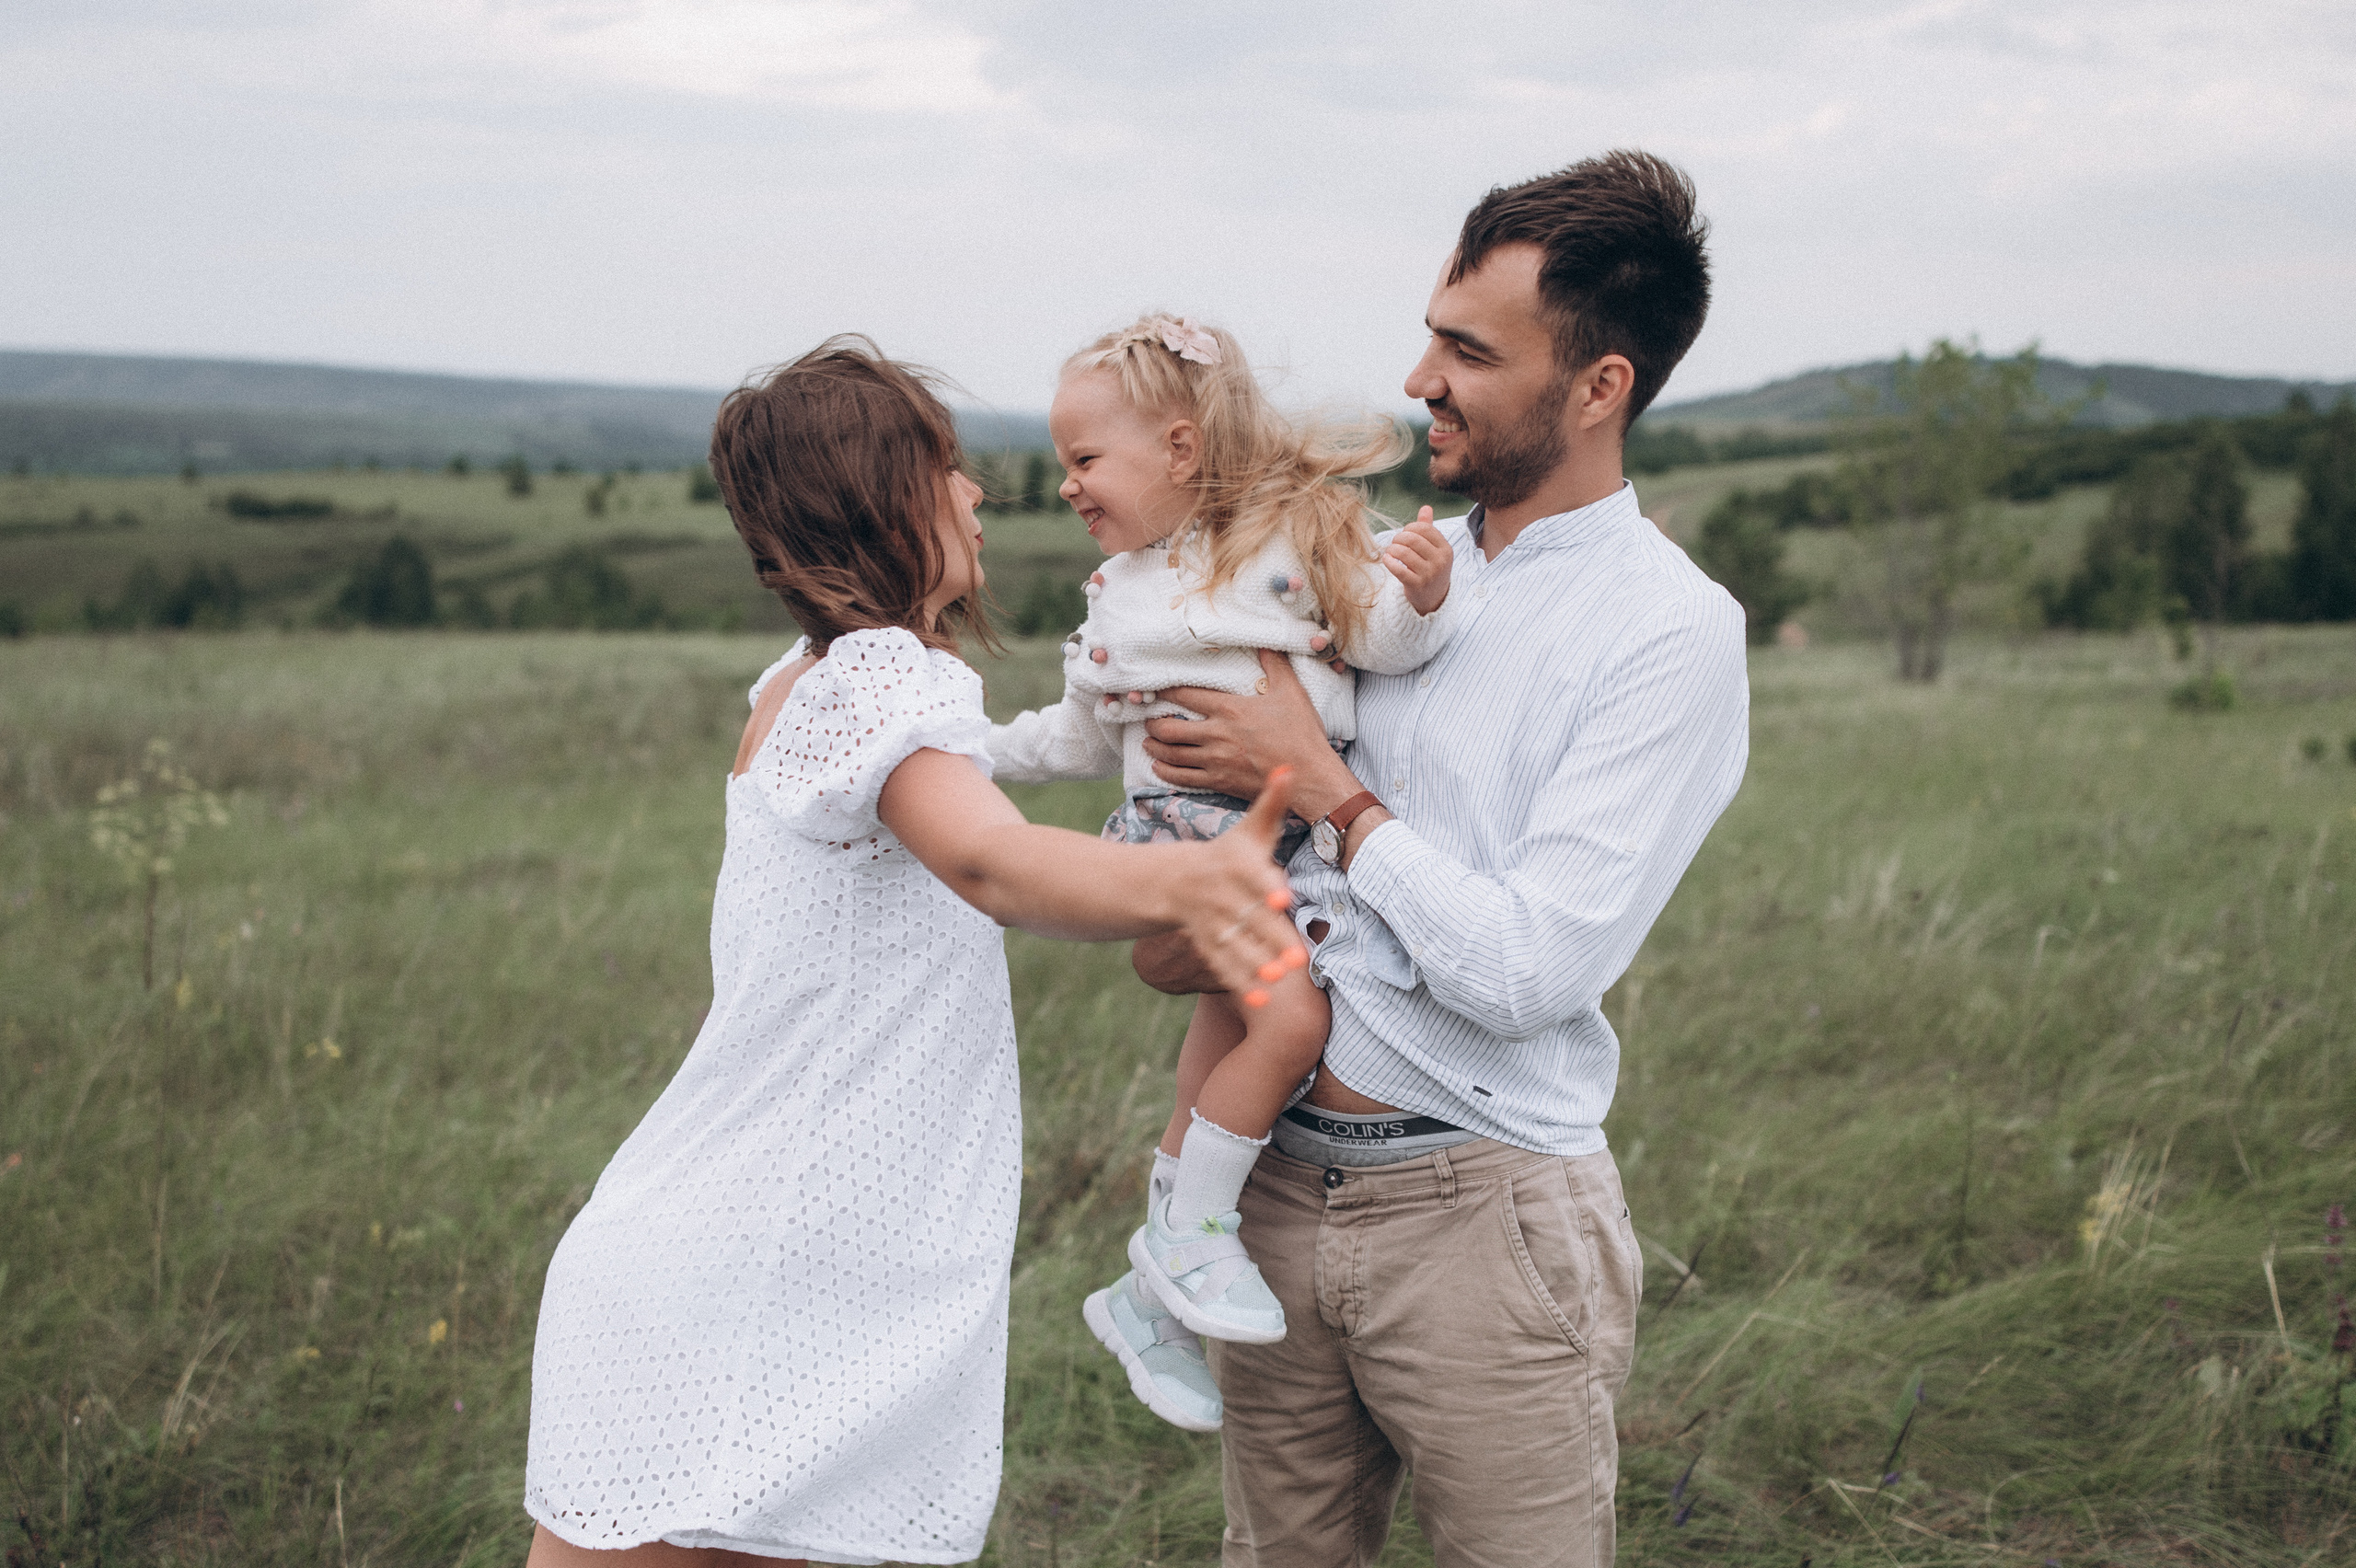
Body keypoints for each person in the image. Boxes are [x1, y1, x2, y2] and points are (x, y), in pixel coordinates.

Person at [520, 337, 1306, 1568]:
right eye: (947, 467)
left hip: (767, 1263)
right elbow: (992, 861)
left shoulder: (812, 678)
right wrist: (1189, 874)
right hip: (763, 1276)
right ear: (882, 496)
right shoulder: (874, 682)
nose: (980, 493)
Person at [1131, 151, 1750, 1566]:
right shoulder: (1372, 578)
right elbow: (1200, 929)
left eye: (1468, 350)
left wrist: (1330, 793)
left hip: (1485, 1220)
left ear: (1598, 386)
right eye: (1430, 334)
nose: (1420, 377)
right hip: (1270, 1190)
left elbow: (1528, 968)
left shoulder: (1667, 631)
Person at [987, 313, 1457, 1428]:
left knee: (1241, 1040)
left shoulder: (1293, 546)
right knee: (1290, 1030)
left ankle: (1150, 1293)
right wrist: (956, 744)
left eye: (1085, 461)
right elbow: (1074, 737)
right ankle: (1185, 1240)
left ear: (1183, 449)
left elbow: (1384, 642)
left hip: (1290, 850)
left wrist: (1424, 596)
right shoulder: (1121, 595)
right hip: (1194, 850)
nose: (1067, 486)